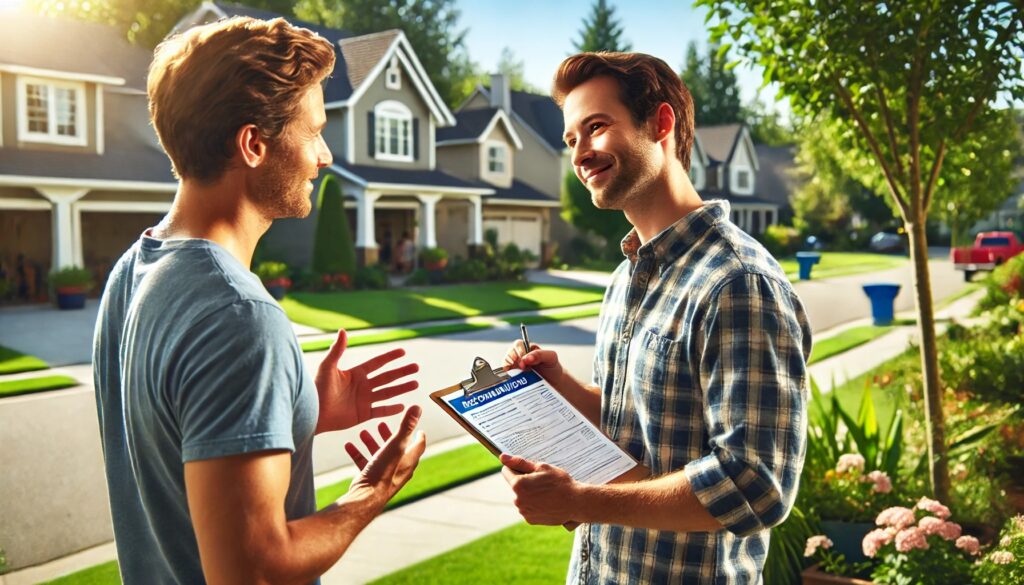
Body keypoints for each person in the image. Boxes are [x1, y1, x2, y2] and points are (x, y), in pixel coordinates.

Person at [92, 17, 425, 584]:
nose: (324, 157)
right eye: (314, 131)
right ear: (252, 145)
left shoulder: (134, 268)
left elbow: (179, 448)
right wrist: (373, 492)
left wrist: (296, 414)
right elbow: (254, 570)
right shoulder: (238, 316)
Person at [500, 52, 811, 584]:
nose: (581, 154)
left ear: (660, 124)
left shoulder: (737, 284)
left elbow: (754, 485)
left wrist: (582, 500)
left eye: (596, 127)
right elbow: (641, 425)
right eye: (572, 140)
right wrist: (563, 388)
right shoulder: (627, 278)